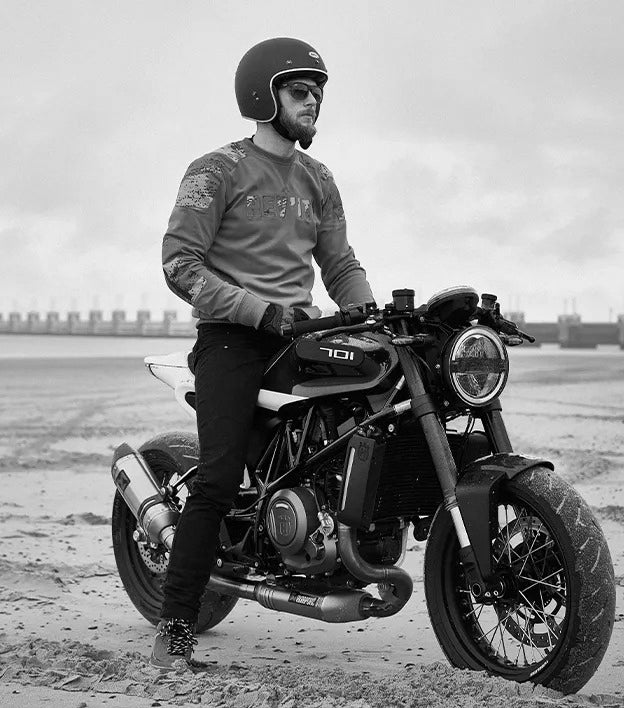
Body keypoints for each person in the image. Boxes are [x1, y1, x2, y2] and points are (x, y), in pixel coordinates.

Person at [151, 37, 374, 669]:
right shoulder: (216, 169)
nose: (314, 104)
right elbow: (179, 264)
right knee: (218, 478)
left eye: (319, 95)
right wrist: (259, 311)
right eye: (301, 93)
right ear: (263, 94)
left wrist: (369, 318)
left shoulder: (318, 178)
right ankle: (174, 627)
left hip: (301, 338)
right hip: (232, 337)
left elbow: (340, 264)